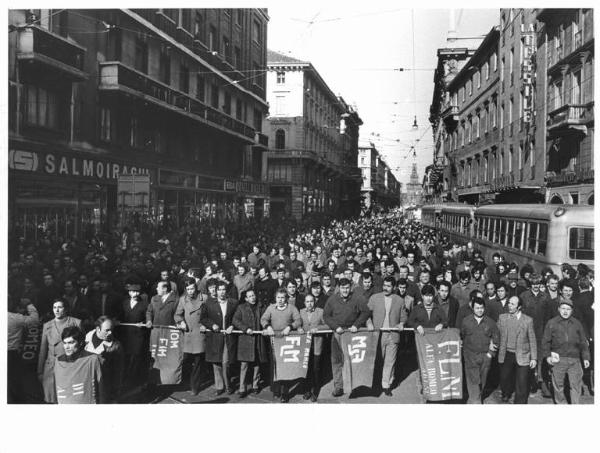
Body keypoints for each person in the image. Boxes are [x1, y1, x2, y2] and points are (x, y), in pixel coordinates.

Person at [323, 278, 372, 397]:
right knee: (337, 361)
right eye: (342, 288)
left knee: (352, 360)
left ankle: (354, 385)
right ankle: (338, 387)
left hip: (352, 334)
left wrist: (356, 325)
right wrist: (335, 327)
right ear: (339, 288)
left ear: (350, 288)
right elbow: (326, 316)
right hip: (338, 333)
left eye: (347, 288)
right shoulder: (332, 299)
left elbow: (366, 312)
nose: (345, 290)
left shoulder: (357, 298)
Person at [542, 298, 591, 404]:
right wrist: (548, 357)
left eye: (568, 309)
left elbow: (583, 342)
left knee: (576, 386)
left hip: (575, 360)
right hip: (558, 359)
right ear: (559, 309)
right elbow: (545, 342)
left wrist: (586, 357)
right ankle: (561, 404)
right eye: (563, 308)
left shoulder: (577, 323)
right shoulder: (552, 323)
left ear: (572, 311)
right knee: (558, 385)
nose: (565, 311)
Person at [366, 276, 407, 396]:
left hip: (393, 335)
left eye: (389, 286)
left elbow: (404, 316)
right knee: (377, 360)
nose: (386, 288)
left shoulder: (399, 300)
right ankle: (374, 384)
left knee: (390, 361)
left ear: (394, 287)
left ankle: (386, 385)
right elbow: (366, 314)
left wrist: (401, 323)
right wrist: (369, 323)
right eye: (384, 285)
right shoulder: (374, 298)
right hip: (377, 334)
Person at [261, 288, 303, 402]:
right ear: (275, 298)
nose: (280, 300)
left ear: (286, 298)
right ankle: (276, 390)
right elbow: (263, 318)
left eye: (282, 298)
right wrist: (267, 326)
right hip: (274, 341)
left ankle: (285, 393)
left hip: (287, 342)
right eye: (278, 298)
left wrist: (290, 327)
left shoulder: (291, 308)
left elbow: (298, 320)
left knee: (285, 367)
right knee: (275, 365)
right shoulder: (271, 308)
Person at [38, 300, 82, 403]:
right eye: (54, 307)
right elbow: (43, 350)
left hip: (70, 365)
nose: (57, 310)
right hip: (51, 367)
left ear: (66, 309)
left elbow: (81, 346)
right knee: (51, 399)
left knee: (69, 397)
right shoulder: (47, 325)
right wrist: (40, 371)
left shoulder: (76, 322)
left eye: (60, 307)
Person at [200, 281, 238, 396]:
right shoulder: (209, 304)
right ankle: (219, 386)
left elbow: (237, 317)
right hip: (215, 337)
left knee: (226, 362)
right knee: (216, 363)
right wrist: (212, 325)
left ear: (226, 291)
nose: (222, 292)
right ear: (215, 291)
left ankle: (228, 386)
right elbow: (203, 318)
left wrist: (232, 326)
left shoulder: (233, 303)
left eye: (223, 289)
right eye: (219, 290)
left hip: (228, 337)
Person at [497, 296, 537, 404]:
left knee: (522, 382)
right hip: (506, 354)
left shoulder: (528, 320)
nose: (509, 305)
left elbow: (532, 340)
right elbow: (496, 334)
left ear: (519, 307)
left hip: (522, 354)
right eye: (509, 303)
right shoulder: (502, 318)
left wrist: (534, 358)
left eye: (512, 304)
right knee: (504, 378)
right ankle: (506, 393)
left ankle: (520, 402)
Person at [460, 298, 499, 404]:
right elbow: (462, 336)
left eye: (481, 308)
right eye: (477, 308)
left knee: (482, 380)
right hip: (470, 356)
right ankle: (475, 400)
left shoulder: (490, 322)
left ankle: (476, 397)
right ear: (472, 308)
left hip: (485, 356)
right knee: (472, 380)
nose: (479, 310)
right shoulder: (466, 321)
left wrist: (490, 355)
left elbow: (496, 339)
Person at [54, 326, 105, 404]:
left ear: (81, 343)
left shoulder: (92, 359)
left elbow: (101, 388)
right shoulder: (59, 361)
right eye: (64, 343)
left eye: (71, 343)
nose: (67, 347)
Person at [174, 278, 208, 395]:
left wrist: (207, 325)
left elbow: (210, 314)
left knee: (198, 362)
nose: (190, 291)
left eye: (192, 288)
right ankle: (184, 383)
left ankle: (195, 386)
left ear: (196, 287)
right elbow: (177, 315)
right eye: (188, 289)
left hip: (200, 334)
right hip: (188, 335)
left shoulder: (204, 298)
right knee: (186, 360)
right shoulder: (183, 300)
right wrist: (181, 322)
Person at [233, 289, 269, 398]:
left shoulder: (262, 307)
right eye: (250, 296)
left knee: (257, 363)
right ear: (246, 298)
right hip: (246, 340)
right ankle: (242, 388)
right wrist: (245, 328)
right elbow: (235, 320)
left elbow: (266, 319)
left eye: (253, 295)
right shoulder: (241, 307)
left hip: (258, 339)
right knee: (244, 364)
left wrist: (265, 328)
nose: (252, 297)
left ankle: (255, 385)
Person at [84, 316, 125, 402]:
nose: (110, 333)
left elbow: (118, 372)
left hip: (103, 387)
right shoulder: (86, 338)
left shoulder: (116, 346)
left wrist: (115, 394)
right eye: (107, 330)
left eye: (111, 329)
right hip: (86, 384)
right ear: (98, 329)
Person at [8, 296, 39, 403]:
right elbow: (34, 320)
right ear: (10, 304)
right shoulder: (15, 318)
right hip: (11, 354)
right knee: (14, 381)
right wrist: (29, 304)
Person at [119, 281, 150, 388]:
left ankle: (133, 381)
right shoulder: (124, 302)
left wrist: (144, 324)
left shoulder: (144, 304)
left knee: (135, 357)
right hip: (126, 335)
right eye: (133, 292)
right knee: (126, 356)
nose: (135, 294)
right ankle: (124, 379)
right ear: (129, 292)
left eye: (137, 292)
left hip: (138, 335)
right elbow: (120, 316)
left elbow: (148, 319)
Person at [299, 294, 329, 402]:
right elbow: (297, 323)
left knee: (316, 368)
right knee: (306, 368)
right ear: (304, 303)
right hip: (305, 345)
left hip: (317, 343)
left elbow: (328, 325)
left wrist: (317, 328)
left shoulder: (320, 311)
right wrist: (298, 328)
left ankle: (316, 390)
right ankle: (307, 390)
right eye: (307, 301)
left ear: (314, 302)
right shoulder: (301, 312)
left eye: (311, 301)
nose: (309, 304)